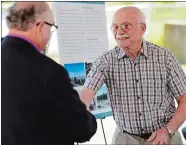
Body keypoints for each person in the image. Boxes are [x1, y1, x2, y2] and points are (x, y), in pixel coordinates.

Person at [80, 6, 186, 145]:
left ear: (142, 29)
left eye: (126, 26)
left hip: (165, 137)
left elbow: (184, 99)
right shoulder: (105, 61)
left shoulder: (165, 58)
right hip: (125, 139)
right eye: (115, 27)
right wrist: (80, 108)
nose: (119, 31)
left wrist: (168, 130)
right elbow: (87, 91)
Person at [1, 2, 97, 145]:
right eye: (52, 27)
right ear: (40, 26)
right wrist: (83, 105)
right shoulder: (49, 71)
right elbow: (80, 129)